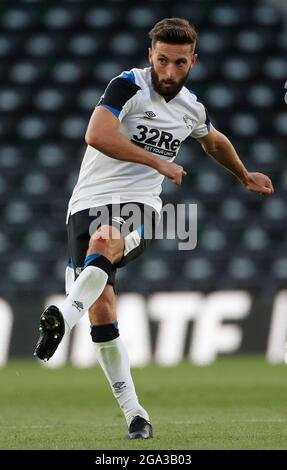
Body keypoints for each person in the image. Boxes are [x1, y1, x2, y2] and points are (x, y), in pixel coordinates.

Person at [34, 17, 274, 439]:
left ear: (193, 61)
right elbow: (97, 133)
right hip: (87, 202)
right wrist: (159, 161)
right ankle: (136, 415)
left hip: (141, 206)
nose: (169, 72)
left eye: (179, 63)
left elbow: (213, 139)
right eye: (162, 60)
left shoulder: (191, 108)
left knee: (106, 238)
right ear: (150, 56)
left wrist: (242, 174)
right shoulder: (127, 85)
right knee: (102, 309)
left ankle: (60, 318)